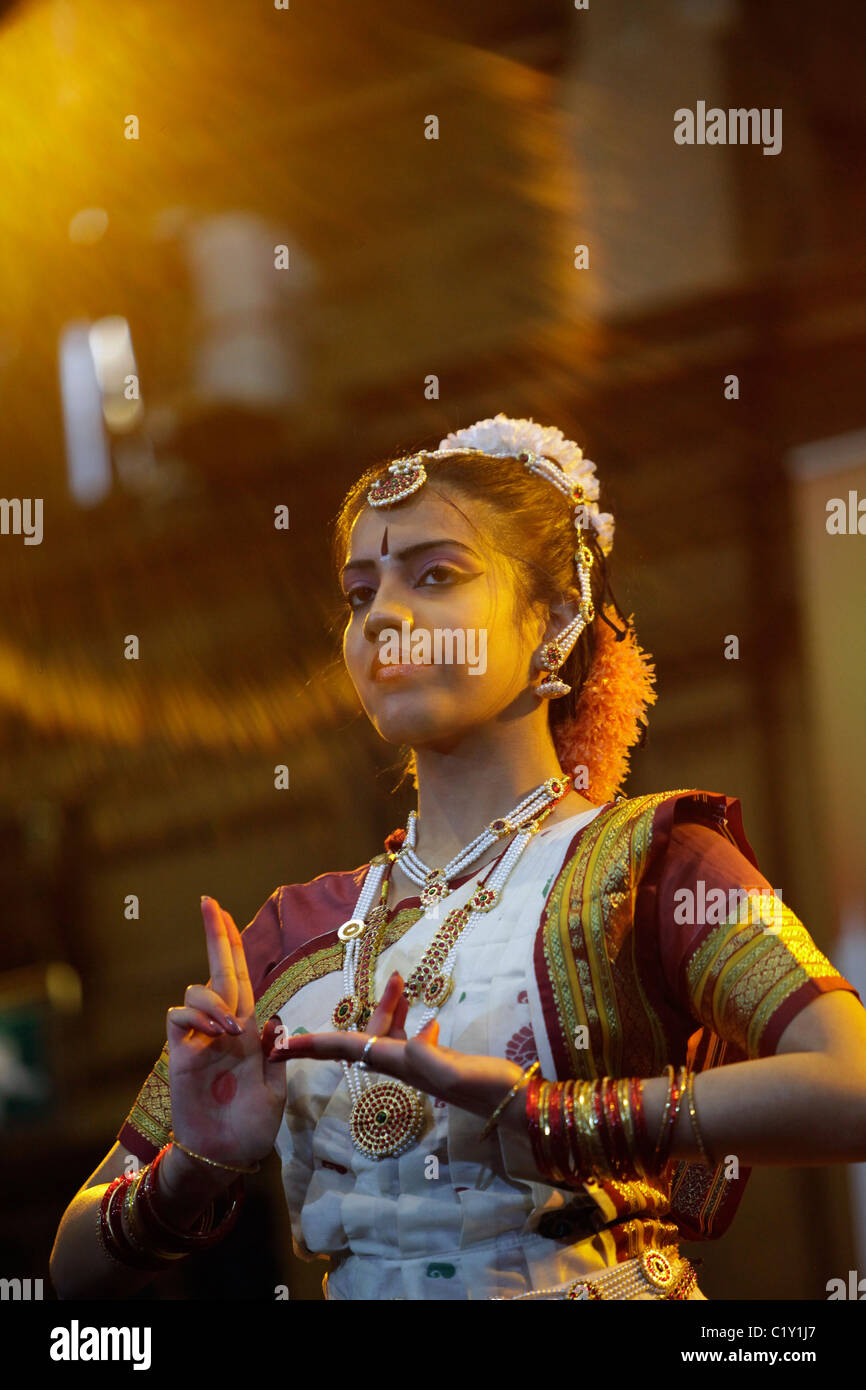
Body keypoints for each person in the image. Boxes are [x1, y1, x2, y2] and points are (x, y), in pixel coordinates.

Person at [50, 414, 866, 1301]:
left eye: (436, 575)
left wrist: (541, 1113)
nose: (384, 616)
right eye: (360, 594)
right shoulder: (293, 934)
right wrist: (196, 1167)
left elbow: (851, 1082)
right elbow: (69, 1267)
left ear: (553, 620)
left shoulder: (649, 864)